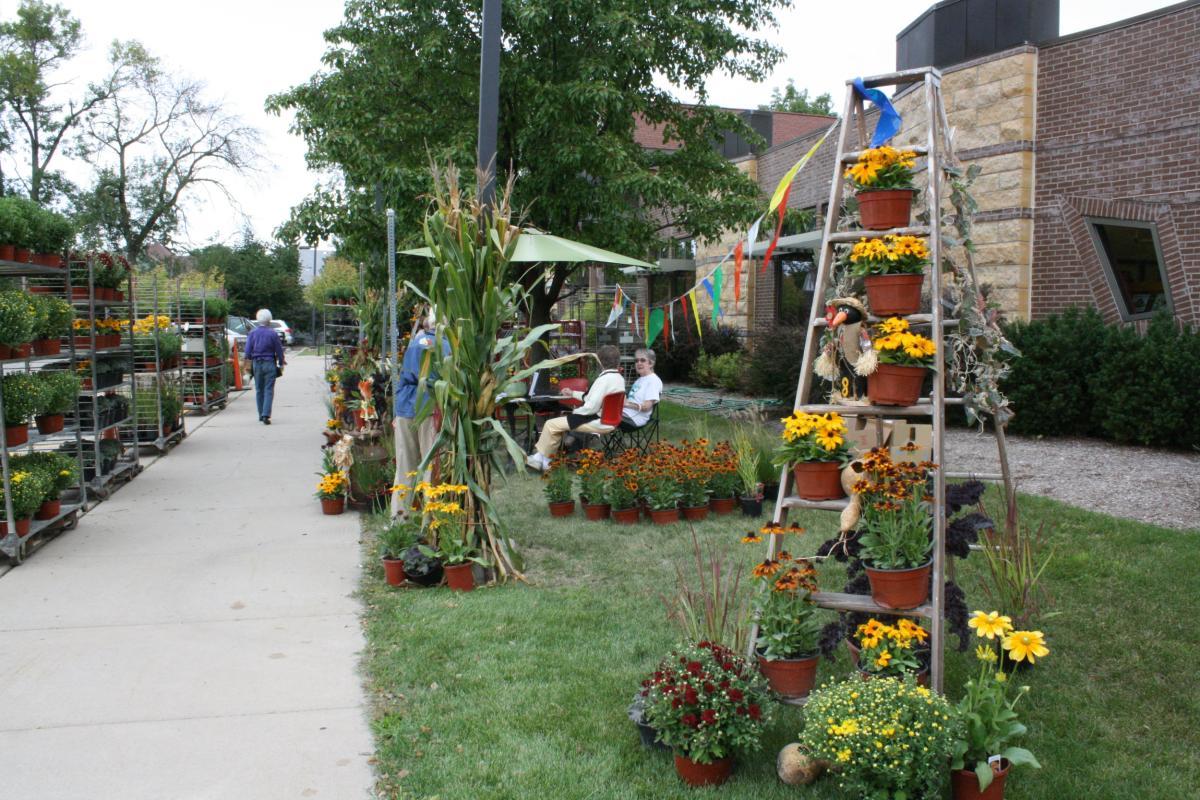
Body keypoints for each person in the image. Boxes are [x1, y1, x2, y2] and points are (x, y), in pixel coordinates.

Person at [526, 345, 626, 471]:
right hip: (608, 420)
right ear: (617, 361)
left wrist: (574, 412)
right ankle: (541, 458)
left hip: (598, 420)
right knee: (556, 425)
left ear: (600, 361)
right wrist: (572, 393)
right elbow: (591, 398)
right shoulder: (618, 378)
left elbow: (591, 407)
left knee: (551, 424)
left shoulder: (604, 380)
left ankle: (544, 461)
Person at [392, 310, 447, 518]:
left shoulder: (415, 343)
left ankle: (399, 517)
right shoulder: (445, 346)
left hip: (406, 406)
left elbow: (404, 375)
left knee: (405, 463)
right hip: (429, 408)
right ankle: (430, 519)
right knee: (430, 465)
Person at [245, 308, 285, 424]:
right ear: (269, 319)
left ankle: (260, 414)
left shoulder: (252, 333)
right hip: (270, 363)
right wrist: (281, 363)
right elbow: (279, 350)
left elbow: (247, 352)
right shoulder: (273, 333)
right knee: (268, 389)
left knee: (259, 389)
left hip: (257, 364)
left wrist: (247, 365)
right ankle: (266, 415)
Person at [620, 347, 662, 429]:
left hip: (634, 419)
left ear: (651, 363)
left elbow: (646, 407)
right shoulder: (639, 380)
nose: (638, 363)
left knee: (597, 415)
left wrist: (626, 404)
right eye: (636, 361)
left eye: (642, 360)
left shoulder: (653, 381)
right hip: (624, 413)